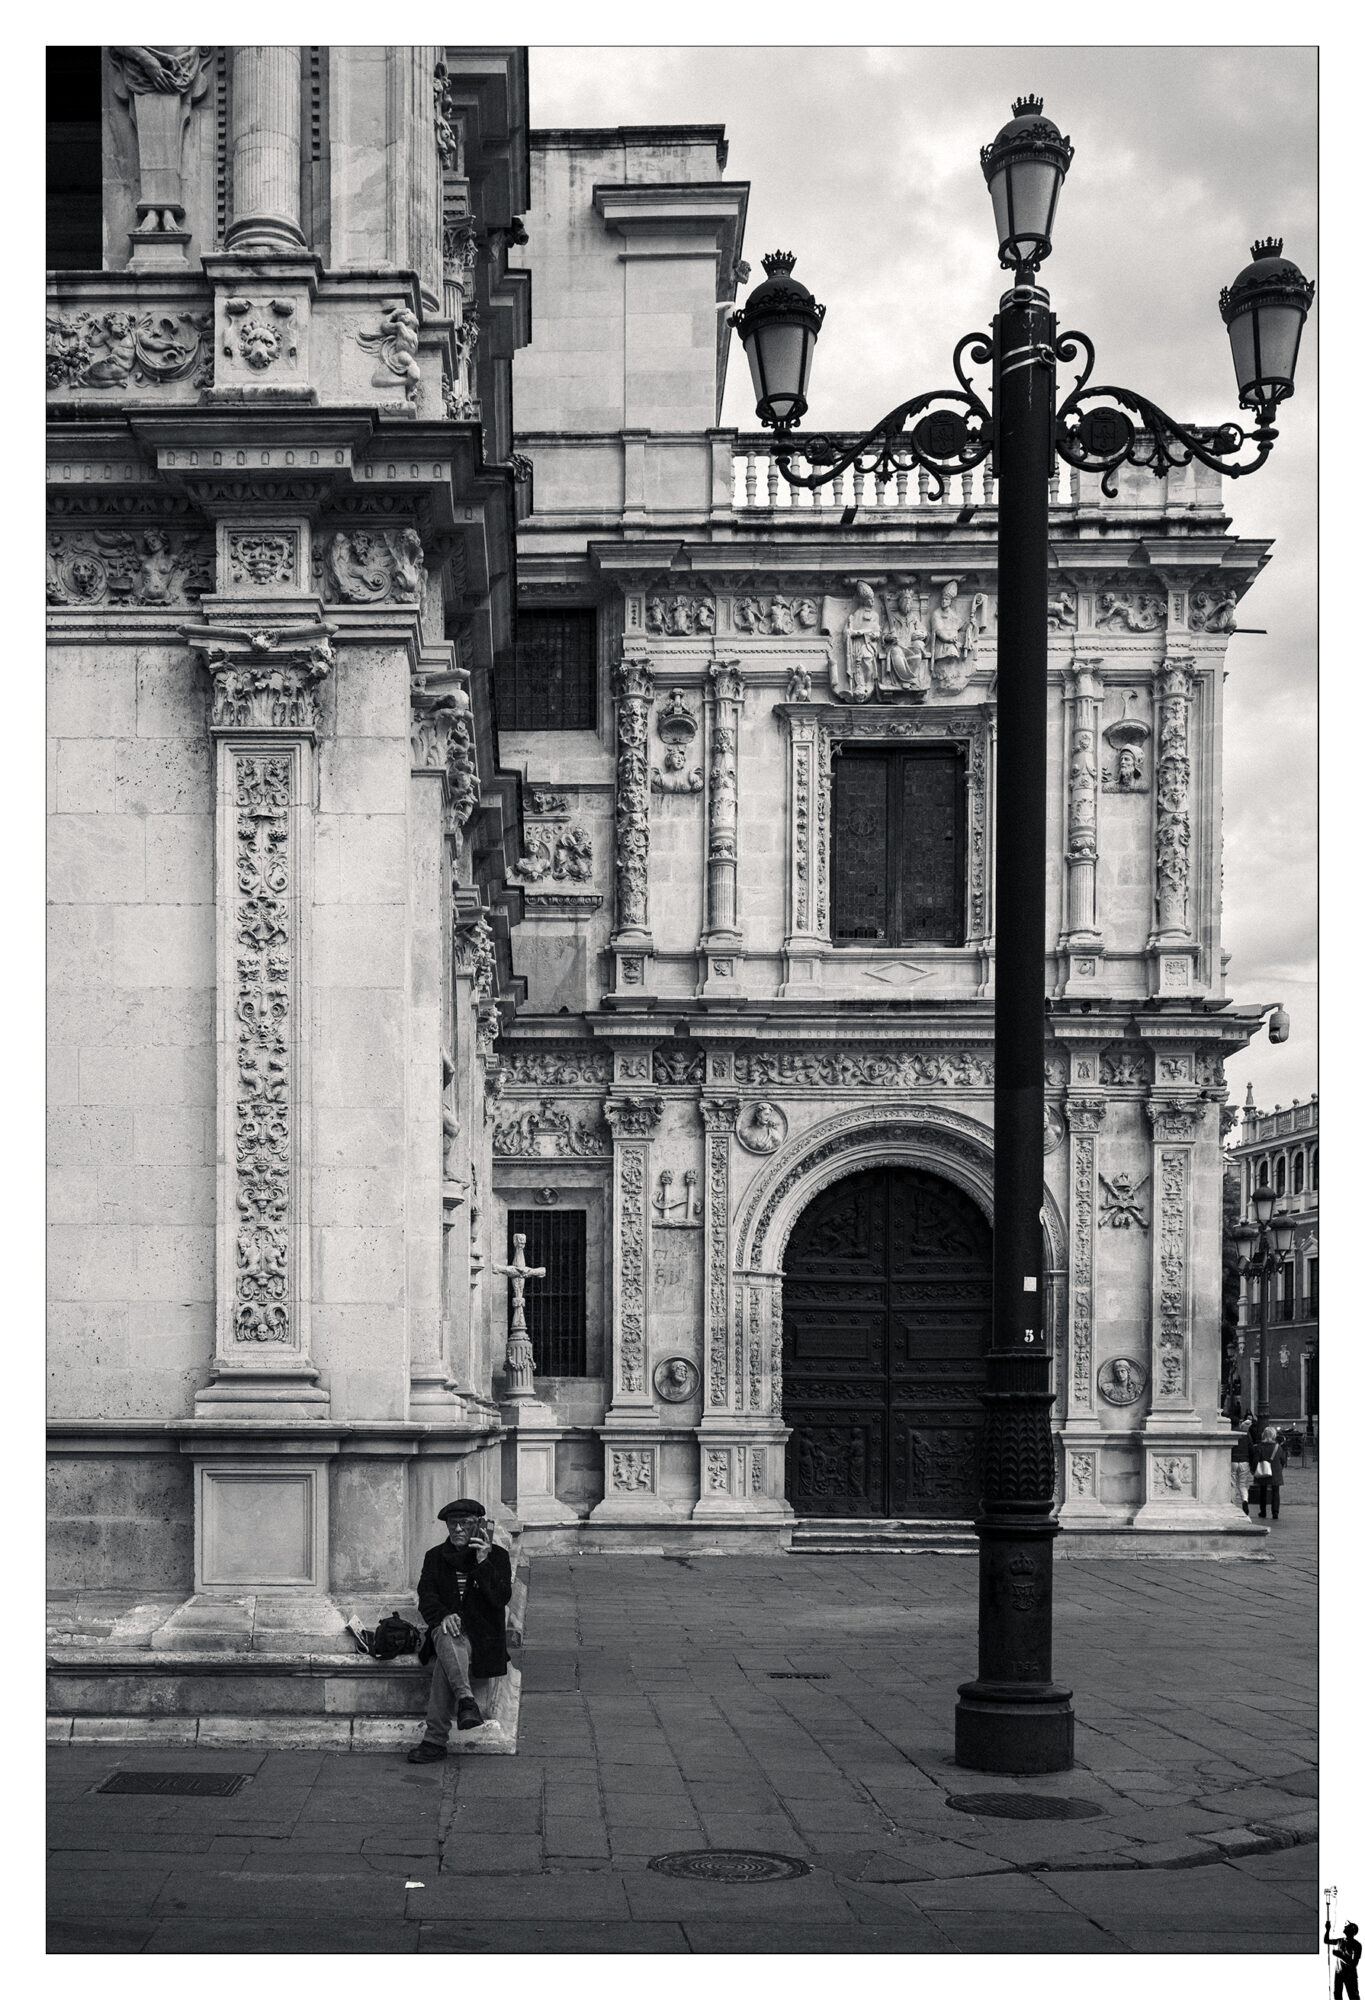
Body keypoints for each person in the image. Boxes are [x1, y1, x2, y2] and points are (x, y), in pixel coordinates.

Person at [407, 1497, 513, 1762]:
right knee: (447, 1635)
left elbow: (500, 1598)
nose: (457, 1529)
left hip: (482, 1638)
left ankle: (434, 1741)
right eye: (452, 1524)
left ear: (478, 1525)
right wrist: (443, 1615)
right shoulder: (435, 1557)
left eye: (464, 1523)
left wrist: (483, 1563)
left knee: (445, 1664)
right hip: (447, 1631)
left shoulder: (497, 1557)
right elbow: (426, 1597)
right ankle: (466, 1700)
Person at [1251, 1427, 1285, 1522]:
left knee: (1263, 1491)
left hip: (1263, 1471)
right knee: (1275, 1491)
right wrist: (1280, 1468)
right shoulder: (1278, 1447)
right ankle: (1275, 1512)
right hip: (1275, 1471)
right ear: (1274, 1435)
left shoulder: (1259, 1447)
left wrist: (1253, 1470)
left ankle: (1263, 1511)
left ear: (1264, 1435)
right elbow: (1283, 1460)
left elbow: (1255, 1460)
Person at [1327, 1921, 1362, 2000]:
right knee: (1337, 1995)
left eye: (1347, 1926)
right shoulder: (1340, 1940)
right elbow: (1326, 1941)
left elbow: (1354, 1963)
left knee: (1353, 1996)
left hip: (1350, 1975)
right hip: (1339, 1973)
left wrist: (1340, 1956)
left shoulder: (1357, 1945)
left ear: (1351, 1931)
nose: (1345, 1927)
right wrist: (1327, 1929)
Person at [1231, 1416, 1254, 1514]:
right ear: (1239, 1423)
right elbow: (1251, 1448)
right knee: (1243, 1484)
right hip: (1244, 1461)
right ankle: (1245, 1500)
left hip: (1232, 1461)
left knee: (1232, 1484)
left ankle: (1232, 1504)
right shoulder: (1245, 1434)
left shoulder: (1230, 1433)